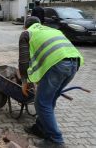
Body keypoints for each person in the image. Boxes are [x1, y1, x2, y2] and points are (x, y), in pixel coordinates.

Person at [19, 16, 84, 147]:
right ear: (39, 24)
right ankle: (41, 128)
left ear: (25, 26)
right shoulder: (51, 30)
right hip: (74, 63)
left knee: (41, 103)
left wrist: (24, 82)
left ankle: (55, 141)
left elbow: (24, 61)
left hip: (58, 65)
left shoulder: (26, 33)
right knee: (50, 99)